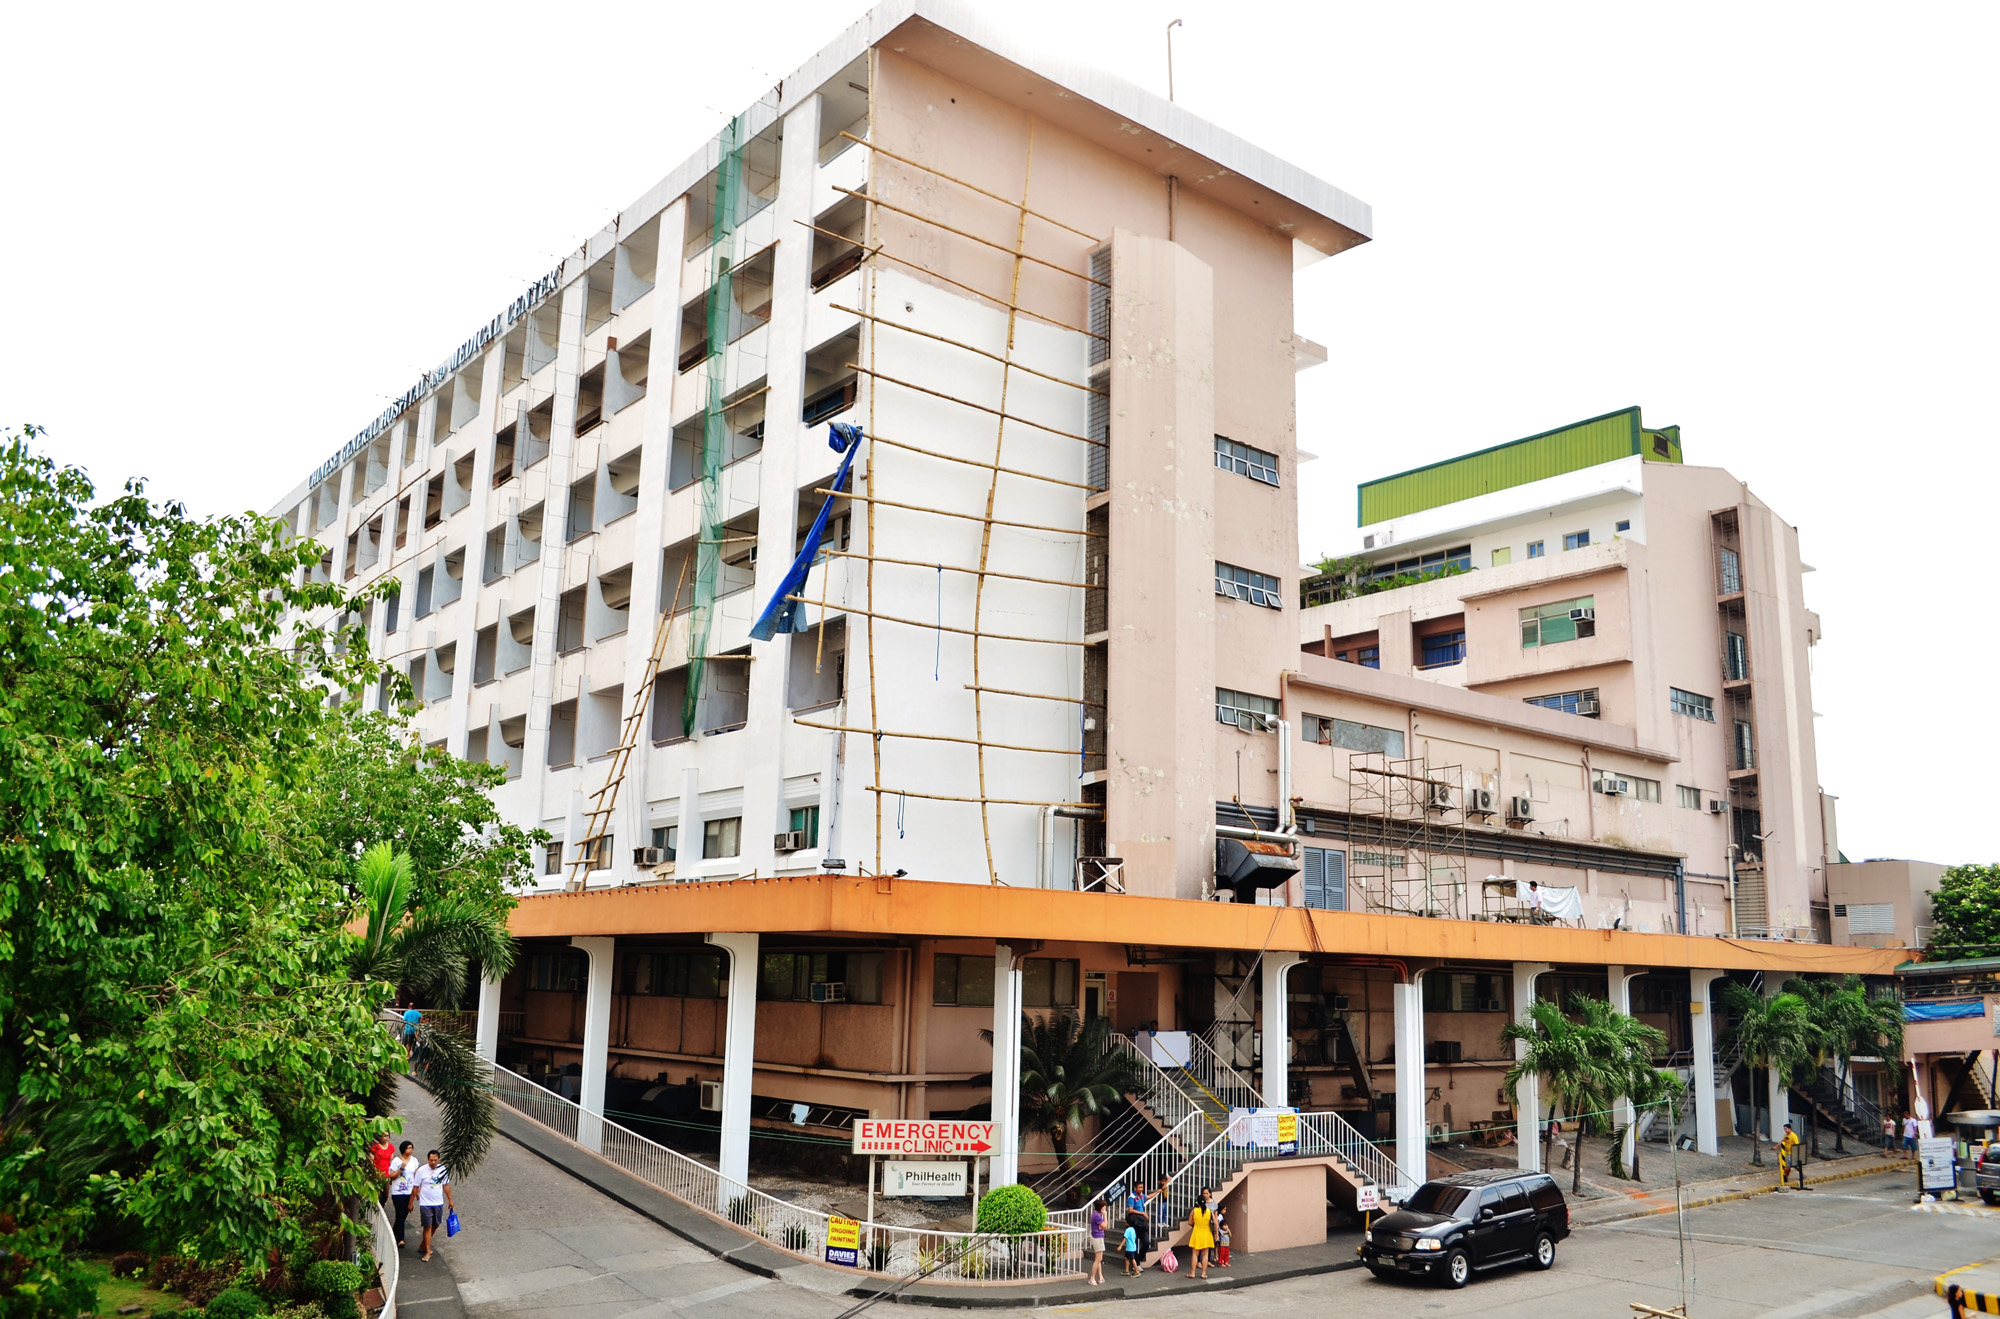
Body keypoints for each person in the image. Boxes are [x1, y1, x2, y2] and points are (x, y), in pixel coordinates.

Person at [412, 1149, 455, 1262]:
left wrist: (450, 1200)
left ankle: (423, 1244)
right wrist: (410, 1203)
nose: (433, 1162)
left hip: (438, 1202)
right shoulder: (421, 1171)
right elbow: (415, 1187)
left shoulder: (442, 1169)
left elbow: (446, 1185)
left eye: (435, 1160)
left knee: (436, 1224)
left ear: (439, 1160)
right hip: (425, 1203)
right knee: (428, 1226)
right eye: (431, 1160)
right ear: (428, 1160)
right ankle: (427, 1251)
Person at [387, 1141, 418, 1247]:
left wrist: (417, 1191)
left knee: (404, 1214)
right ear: (403, 1149)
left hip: (409, 1191)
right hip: (398, 1192)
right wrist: (401, 1169)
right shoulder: (396, 1161)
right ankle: (401, 1239)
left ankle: (393, 1232)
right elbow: (391, 1175)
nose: (410, 1150)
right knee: (400, 1214)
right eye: (408, 1148)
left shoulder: (414, 1161)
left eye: (411, 1148)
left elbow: (416, 1176)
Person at [1185, 1190, 1215, 1280]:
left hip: (1197, 1233)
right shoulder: (1209, 1211)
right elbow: (1215, 1223)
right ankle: (1203, 1274)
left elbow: (1190, 1222)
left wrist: (1195, 1224)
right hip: (1206, 1233)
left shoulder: (1194, 1211)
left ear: (1197, 1202)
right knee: (1205, 1255)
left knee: (1195, 1254)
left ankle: (1192, 1273)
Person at [1124, 1180, 1150, 1259]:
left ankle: (1138, 1259)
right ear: (1135, 1188)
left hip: (1142, 1223)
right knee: (1133, 1243)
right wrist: (1142, 1213)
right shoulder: (1132, 1197)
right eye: (1139, 1187)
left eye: (1142, 1187)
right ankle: (1134, 1262)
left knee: (1146, 1242)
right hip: (1134, 1222)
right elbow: (1130, 1210)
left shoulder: (1142, 1195)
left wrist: (1158, 1191)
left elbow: (1148, 1197)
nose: (1141, 1189)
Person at [368, 1132, 396, 1203]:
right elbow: (371, 1160)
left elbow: (391, 1161)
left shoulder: (390, 1147)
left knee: (385, 1195)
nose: (386, 1138)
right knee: (376, 1194)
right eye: (384, 1136)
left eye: (387, 1136)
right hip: (377, 1174)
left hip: (386, 1175)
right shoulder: (375, 1147)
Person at [1087, 1197, 1106, 1286]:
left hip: (1098, 1236)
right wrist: (1105, 1216)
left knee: (1099, 1258)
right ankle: (1092, 1278)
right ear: (1101, 1207)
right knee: (1097, 1259)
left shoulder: (1096, 1214)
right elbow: (1105, 1226)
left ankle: (1100, 1276)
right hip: (1097, 1237)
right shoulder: (1098, 1216)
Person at [1776, 1121, 1800, 1189]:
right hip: (1788, 1153)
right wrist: (1776, 1146)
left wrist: (1796, 1154)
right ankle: (1802, 1174)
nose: (1785, 1130)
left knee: (1788, 1166)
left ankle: (1785, 1176)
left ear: (1790, 1129)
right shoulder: (1786, 1135)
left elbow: (1797, 1145)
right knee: (1794, 1165)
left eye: (1786, 1129)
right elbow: (1783, 1141)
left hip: (1792, 1153)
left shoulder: (1793, 1136)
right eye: (1784, 1129)